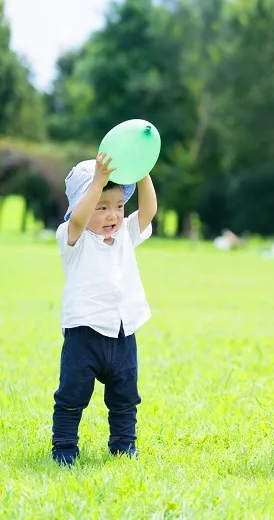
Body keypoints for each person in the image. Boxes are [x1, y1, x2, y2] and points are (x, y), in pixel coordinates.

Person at [52, 153, 158, 465]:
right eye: (101, 206)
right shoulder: (73, 238)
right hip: (84, 333)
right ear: (83, 206)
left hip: (124, 331)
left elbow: (149, 211)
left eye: (118, 206)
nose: (112, 214)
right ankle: (64, 449)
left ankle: (124, 447)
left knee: (125, 399)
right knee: (72, 397)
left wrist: (142, 173)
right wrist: (97, 183)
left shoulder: (125, 233)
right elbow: (77, 220)